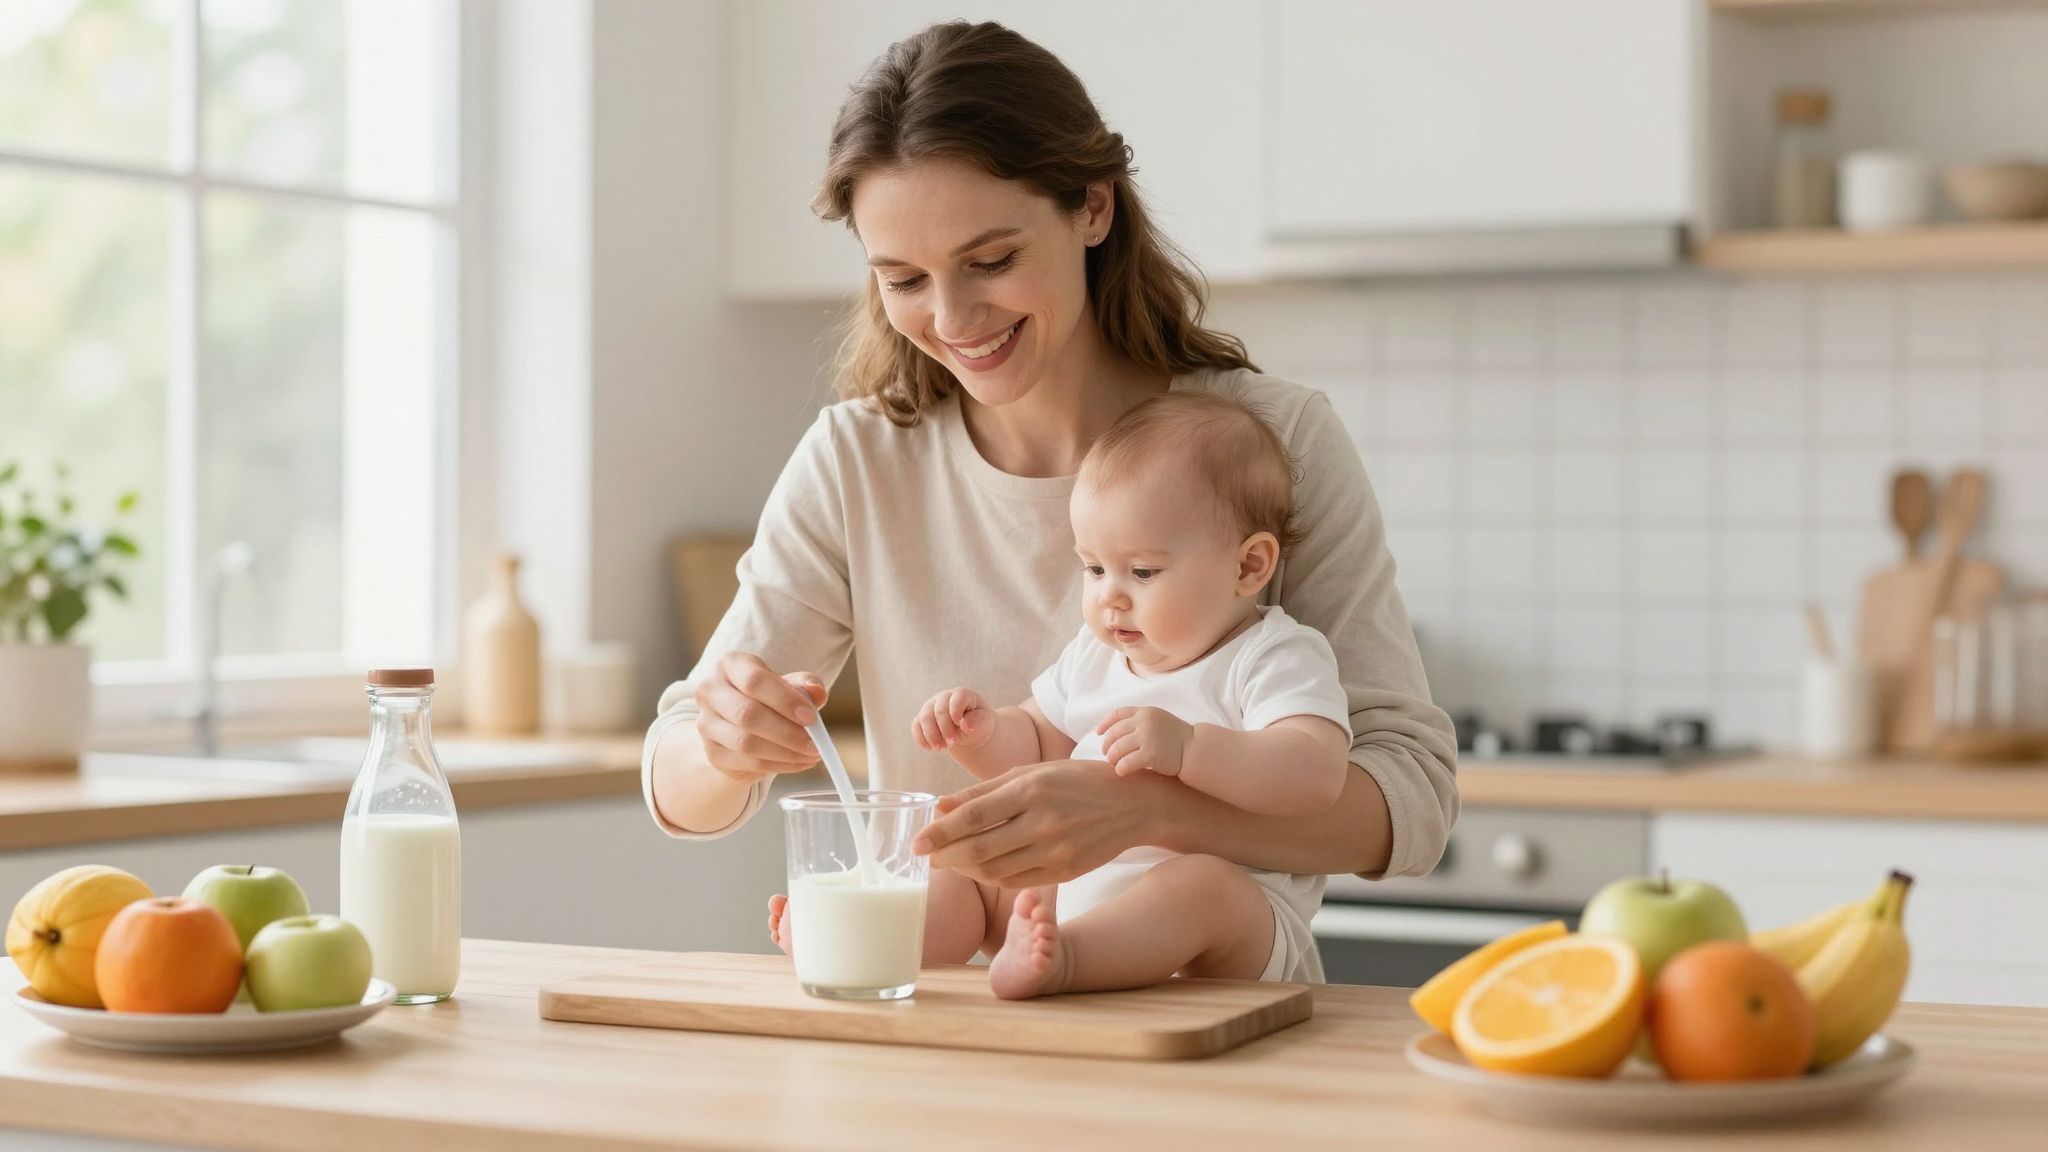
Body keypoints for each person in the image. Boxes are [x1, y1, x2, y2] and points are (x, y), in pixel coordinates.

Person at [641, 20, 1459, 970]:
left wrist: (1149, 811)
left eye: (991, 261)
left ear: (1094, 209)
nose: (951, 321)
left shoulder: (1272, 442)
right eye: (903, 278)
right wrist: (726, 745)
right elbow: (675, 778)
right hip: (941, 1029)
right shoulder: (858, 460)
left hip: (1198, 1027)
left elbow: (1412, 799)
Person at [770, 391, 1353, 996]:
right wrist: (986, 733)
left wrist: (1191, 750)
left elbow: (1314, 773)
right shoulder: (1099, 653)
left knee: (1200, 887)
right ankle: (856, 942)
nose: (1110, 597)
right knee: (964, 871)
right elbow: (1040, 743)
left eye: (1143, 572)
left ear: (1249, 567)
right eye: (1094, 569)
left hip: (1230, 922)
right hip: (1077, 886)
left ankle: (1068, 961)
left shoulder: (1273, 655)